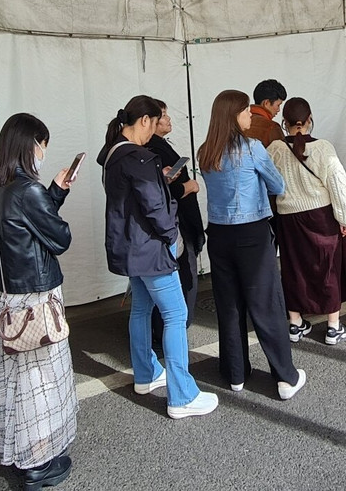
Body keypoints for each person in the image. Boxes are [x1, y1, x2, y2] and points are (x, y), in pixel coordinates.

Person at [99, 96, 218, 419]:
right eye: (157, 120)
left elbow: (137, 197)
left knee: (141, 309)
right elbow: (154, 208)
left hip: (128, 248)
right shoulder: (139, 158)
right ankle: (182, 395)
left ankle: (146, 374)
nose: (157, 130)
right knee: (176, 315)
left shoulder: (112, 154)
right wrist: (170, 235)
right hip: (151, 248)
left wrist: (159, 180)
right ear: (145, 121)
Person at [0, 113, 77, 488]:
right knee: (40, 383)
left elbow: (31, 224)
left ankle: (23, 455)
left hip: (7, 298)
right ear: (31, 145)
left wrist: (55, 191)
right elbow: (59, 238)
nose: (43, 153)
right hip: (36, 298)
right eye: (42, 146)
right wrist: (49, 195)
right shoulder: (27, 190)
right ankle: (36, 464)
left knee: (14, 383)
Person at [198, 90, 305, 399]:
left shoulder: (206, 150)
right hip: (252, 234)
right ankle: (285, 377)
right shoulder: (253, 148)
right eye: (246, 111)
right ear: (234, 115)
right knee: (266, 305)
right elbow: (278, 185)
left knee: (229, 305)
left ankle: (235, 374)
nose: (250, 116)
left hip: (218, 234)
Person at [266, 97, 346, 346]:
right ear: (309, 120)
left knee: (293, 268)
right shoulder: (322, 148)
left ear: (284, 122)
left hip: (288, 218)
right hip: (321, 216)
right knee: (327, 268)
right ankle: (332, 326)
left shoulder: (275, 148)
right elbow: (337, 184)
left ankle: (296, 324)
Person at [146, 99, 204, 334]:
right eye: (163, 115)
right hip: (176, 223)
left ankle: (167, 328)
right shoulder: (152, 149)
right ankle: (174, 328)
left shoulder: (156, 146)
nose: (168, 119)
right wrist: (187, 187)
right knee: (183, 276)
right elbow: (159, 192)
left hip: (174, 222)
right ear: (147, 120)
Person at [246, 78, 287, 147]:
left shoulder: (238, 122)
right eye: (278, 105)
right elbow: (282, 155)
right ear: (266, 103)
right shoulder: (272, 127)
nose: (278, 110)